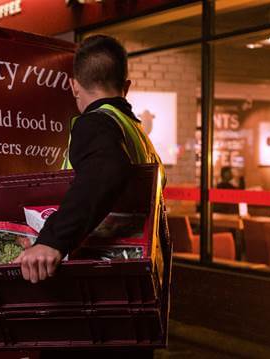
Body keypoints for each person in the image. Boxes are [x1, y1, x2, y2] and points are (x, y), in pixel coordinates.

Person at [14, 35, 165, 358]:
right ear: (126, 86)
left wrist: (52, 240)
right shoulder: (136, 134)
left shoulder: (94, 123)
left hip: (92, 304)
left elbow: (105, 170)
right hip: (130, 300)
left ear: (73, 85)